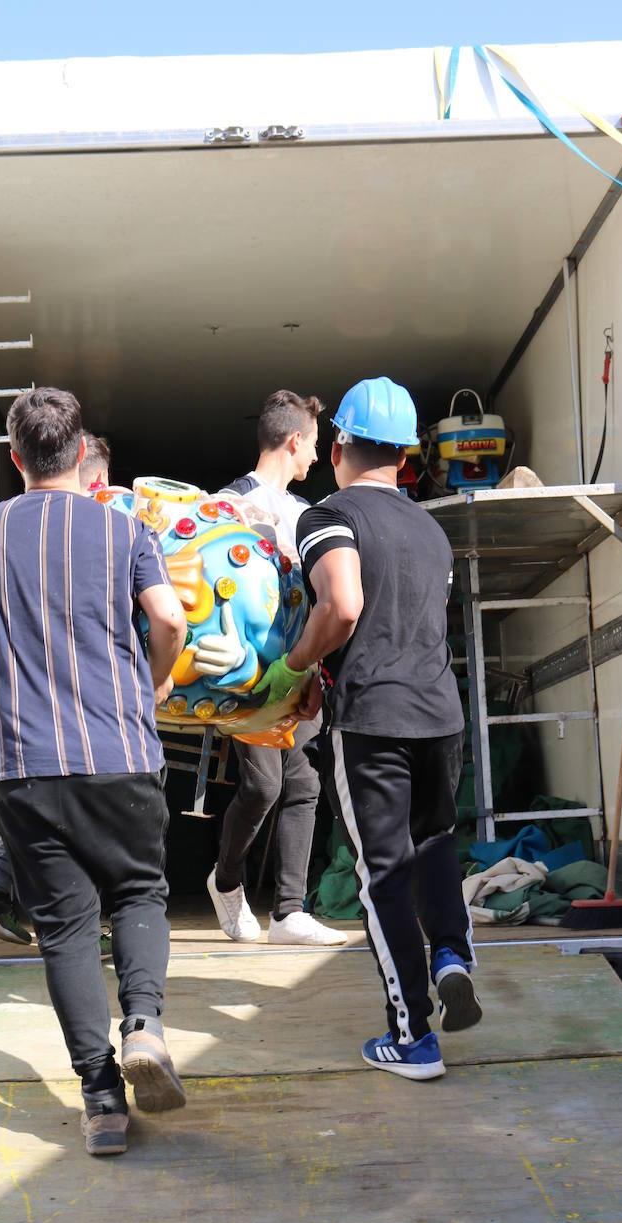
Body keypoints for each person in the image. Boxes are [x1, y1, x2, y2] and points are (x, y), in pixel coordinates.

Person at [0, 391, 187, 1155]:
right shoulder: (125, 529)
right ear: (83, 454)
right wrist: (152, 685)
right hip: (119, 749)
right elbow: (171, 620)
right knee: (140, 889)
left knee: (66, 928)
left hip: (24, 762)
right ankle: (145, 1024)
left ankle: (101, 1104)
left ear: (16, 458)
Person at [263, 376, 480, 1081]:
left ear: (340, 447)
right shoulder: (432, 528)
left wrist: (295, 668)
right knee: (436, 843)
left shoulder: (327, 514)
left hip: (373, 718)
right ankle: (451, 952)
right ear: (408, 458)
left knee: (381, 871)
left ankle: (412, 1036)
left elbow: (344, 606)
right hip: (440, 714)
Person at [195, 389, 346, 948]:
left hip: (300, 669)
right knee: (262, 786)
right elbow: (205, 585)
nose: (317, 457)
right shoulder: (227, 505)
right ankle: (226, 882)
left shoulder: (311, 515)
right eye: (314, 444)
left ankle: (289, 912)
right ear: (294, 440)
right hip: (249, 673)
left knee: (305, 782)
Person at [0, 432, 112, 946]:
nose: (107, 488)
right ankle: (69, 919)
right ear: (86, 473)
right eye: (104, 479)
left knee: (34, 794)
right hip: (36, 682)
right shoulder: (92, 528)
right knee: (68, 793)